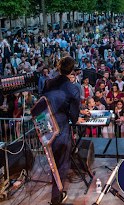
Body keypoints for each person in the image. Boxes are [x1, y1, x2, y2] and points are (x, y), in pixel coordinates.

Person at [42, 56, 83, 205]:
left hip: (46, 129)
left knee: (52, 163)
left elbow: (43, 103)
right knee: (61, 164)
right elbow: (74, 116)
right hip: (61, 130)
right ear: (72, 70)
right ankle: (56, 199)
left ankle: (56, 195)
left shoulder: (48, 83)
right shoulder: (72, 88)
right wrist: (75, 117)